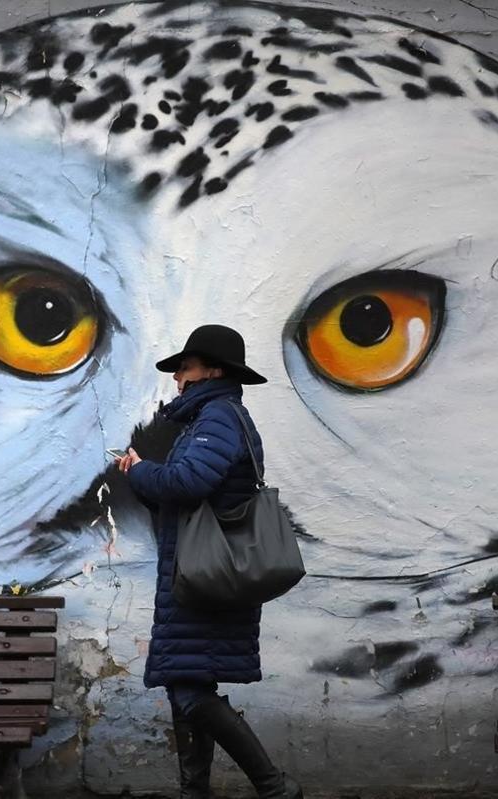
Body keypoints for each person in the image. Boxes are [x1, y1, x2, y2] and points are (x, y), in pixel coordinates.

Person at [115, 324, 302, 799]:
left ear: (212, 371)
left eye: (185, 366)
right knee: (187, 683)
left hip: (208, 574)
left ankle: (275, 789)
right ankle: (195, 791)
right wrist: (147, 479)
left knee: (189, 690)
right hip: (200, 571)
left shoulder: (218, 416)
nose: (177, 377)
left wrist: (141, 471)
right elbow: (195, 495)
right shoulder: (211, 418)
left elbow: (187, 483)